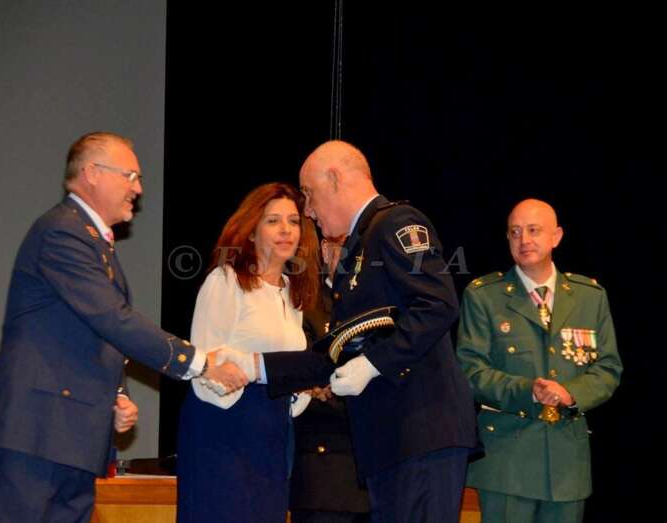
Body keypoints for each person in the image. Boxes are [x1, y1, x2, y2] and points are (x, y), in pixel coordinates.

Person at [0, 131, 246, 523]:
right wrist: (199, 362)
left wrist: (114, 395)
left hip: (68, 436)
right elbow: (112, 318)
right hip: (35, 432)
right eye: (130, 176)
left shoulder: (93, 240)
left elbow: (87, 330)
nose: (138, 188)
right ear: (92, 173)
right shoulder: (62, 231)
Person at [223, 140, 479, 521]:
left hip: (420, 434)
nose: (307, 211)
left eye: (309, 194)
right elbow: (335, 351)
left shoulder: (396, 223)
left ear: (335, 179)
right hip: (392, 440)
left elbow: (438, 305)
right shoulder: (360, 247)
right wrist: (256, 367)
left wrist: (372, 364)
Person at [455, 199, 623, 523]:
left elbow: (608, 368)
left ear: (556, 236)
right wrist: (528, 390)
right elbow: (470, 370)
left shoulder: (589, 297)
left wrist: (570, 393)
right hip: (506, 463)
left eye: (534, 230)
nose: (524, 240)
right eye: (515, 232)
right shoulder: (484, 296)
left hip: (567, 464)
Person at [175, 182, 320, 523]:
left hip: (273, 434)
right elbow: (204, 368)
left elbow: (288, 368)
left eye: (293, 221)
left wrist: (301, 389)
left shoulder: (291, 292)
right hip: (223, 430)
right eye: (273, 221)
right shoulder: (225, 280)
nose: (286, 230)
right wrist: (250, 375)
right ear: (251, 232)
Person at [289, 237, 370, 523]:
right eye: (344, 247)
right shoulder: (300, 307)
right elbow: (299, 378)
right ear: (325, 250)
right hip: (324, 477)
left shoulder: (382, 309)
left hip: (379, 476)